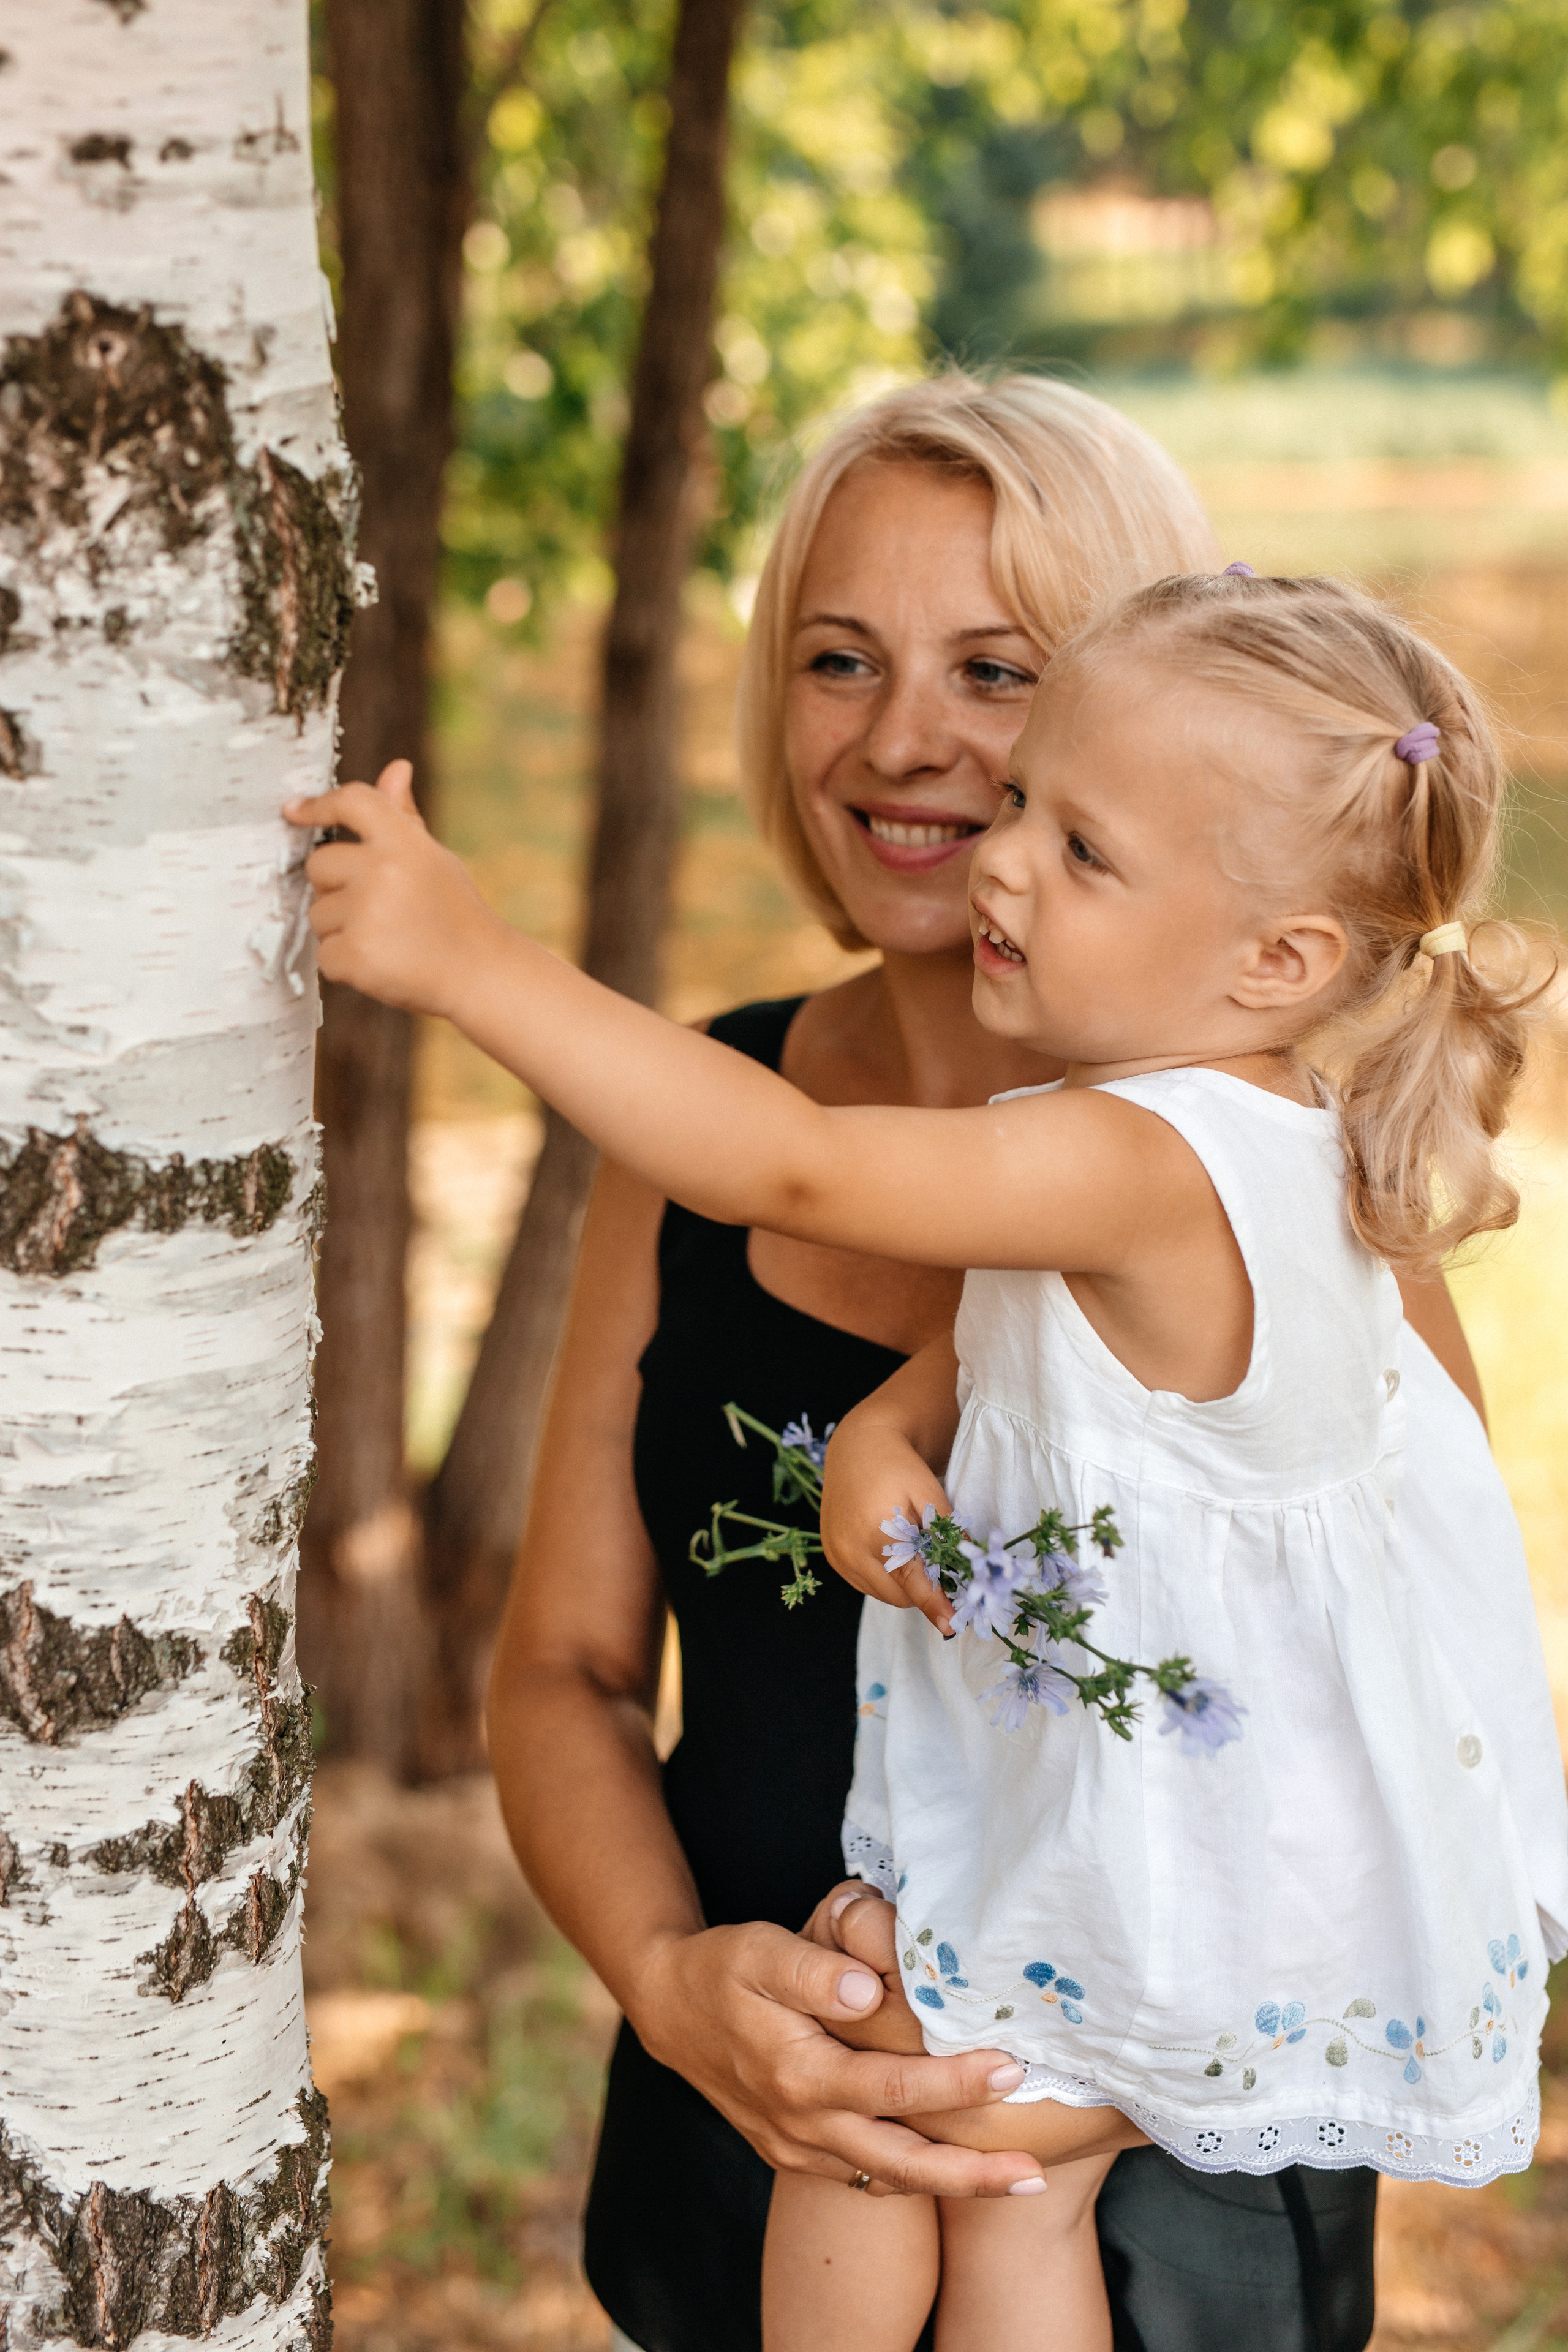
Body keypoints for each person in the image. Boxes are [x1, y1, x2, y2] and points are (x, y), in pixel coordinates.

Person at [290, 565, 1567, 2352]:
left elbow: (789, 1170)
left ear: (1278, 959)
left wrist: (475, 963)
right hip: (1194, 1851)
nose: (1002, 855)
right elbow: (1011, 1351)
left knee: (889, 2133)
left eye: (1082, 845)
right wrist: (891, 1428)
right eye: (1027, 801)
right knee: (1000, 2189)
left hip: (1178, 1875)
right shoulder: (1273, 1144)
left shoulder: (1141, 1153)